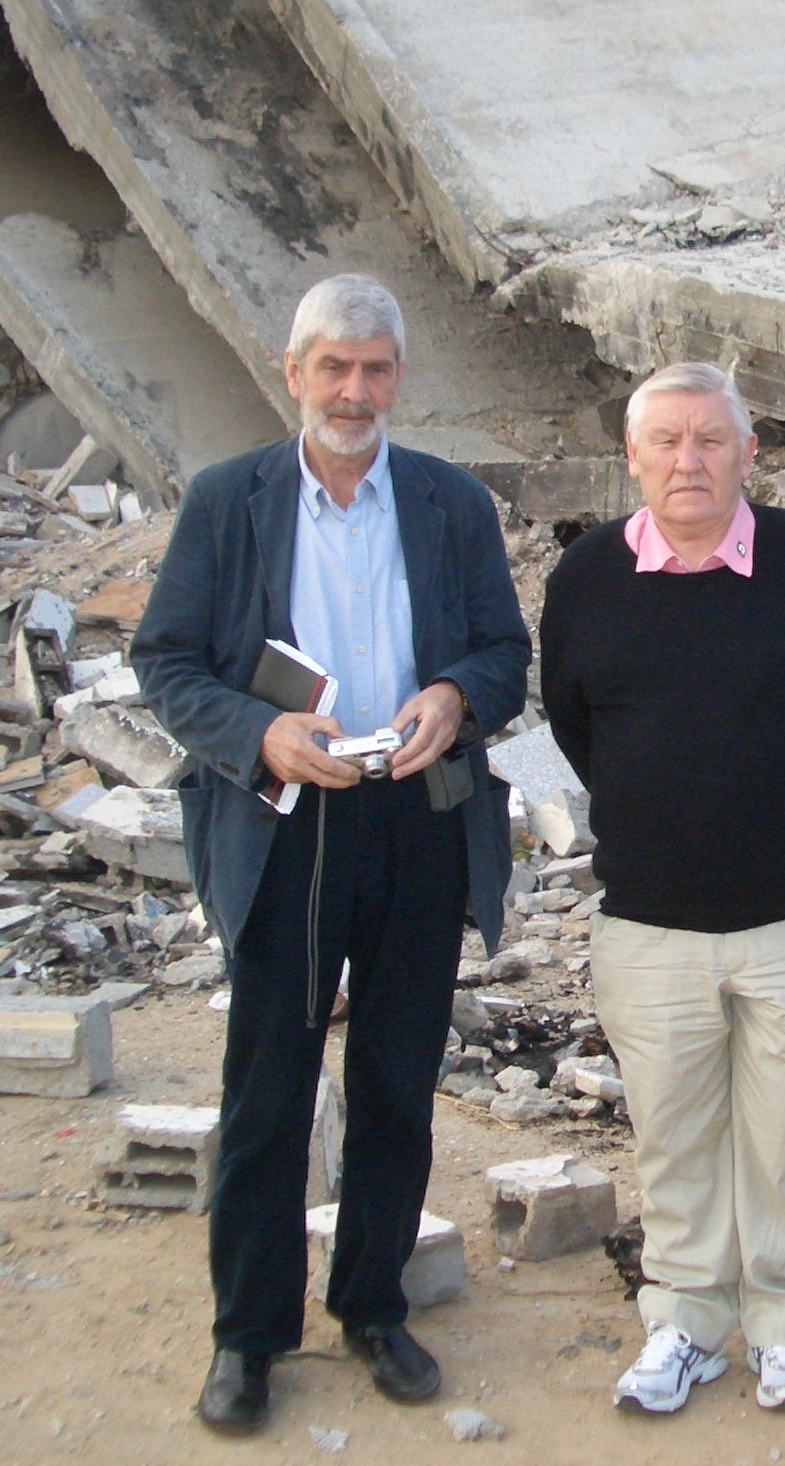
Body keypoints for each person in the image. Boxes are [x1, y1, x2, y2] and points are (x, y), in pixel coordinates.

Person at [133, 274, 530, 1434]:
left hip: (416, 817)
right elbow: (167, 664)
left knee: (398, 1085)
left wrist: (457, 697)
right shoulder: (229, 499)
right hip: (285, 822)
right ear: (295, 372)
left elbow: (505, 651)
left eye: (376, 369)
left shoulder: (452, 504)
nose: (355, 391)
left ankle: (371, 1306)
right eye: (334, 367)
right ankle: (248, 1337)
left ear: (398, 379)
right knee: (267, 1090)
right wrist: (259, 731)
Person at [540, 363, 785, 1416]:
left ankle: (782, 1328)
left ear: (751, 455)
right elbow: (573, 720)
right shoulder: (587, 580)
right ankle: (687, 1324)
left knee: (784, 1145)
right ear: (634, 458)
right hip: (648, 925)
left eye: (711, 441)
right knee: (675, 1142)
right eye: (666, 443)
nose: (688, 461)